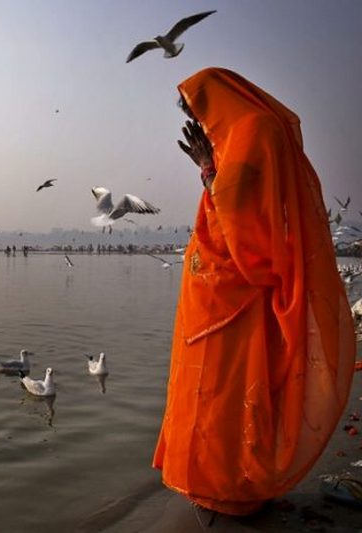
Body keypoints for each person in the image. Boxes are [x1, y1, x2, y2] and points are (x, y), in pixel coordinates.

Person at [153, 67, 355, 516]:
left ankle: (233, 485)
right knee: (219, 388)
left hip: (236, 292)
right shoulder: (244, 133)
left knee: (225, 388)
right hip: (218, 291)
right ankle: (217, 481)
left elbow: (246, 212)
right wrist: (212, 170)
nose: (201, 125)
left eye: (197, 112)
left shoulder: (254, 131)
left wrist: (208, 170)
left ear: (212, 101)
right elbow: (239, 201)